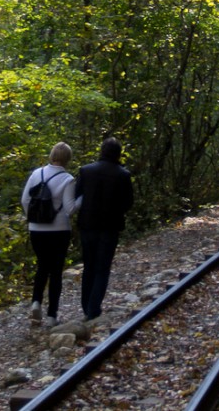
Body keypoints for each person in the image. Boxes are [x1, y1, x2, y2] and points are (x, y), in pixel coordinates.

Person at [21, 142, 81, 324]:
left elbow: (25, 200)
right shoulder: (68, 179)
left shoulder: (36, 174)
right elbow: (70, 209)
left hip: (36, 230)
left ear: (51, 155)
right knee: (55, 271)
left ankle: (36, 302)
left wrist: (34, 219)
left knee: (42, 266)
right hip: (59, 230)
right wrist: (82, 200)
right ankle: (52, 315)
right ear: (67, 159)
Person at [75, 136, 134, 320]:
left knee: (89, 266)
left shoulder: (86, 171)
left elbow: (77, 197)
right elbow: (128, 203)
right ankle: (93, 308)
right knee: (102, 268)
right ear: (118, 154)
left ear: (101, 150)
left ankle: (87, 308)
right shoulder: (123, 175)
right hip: (110, 227)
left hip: (87, 226)